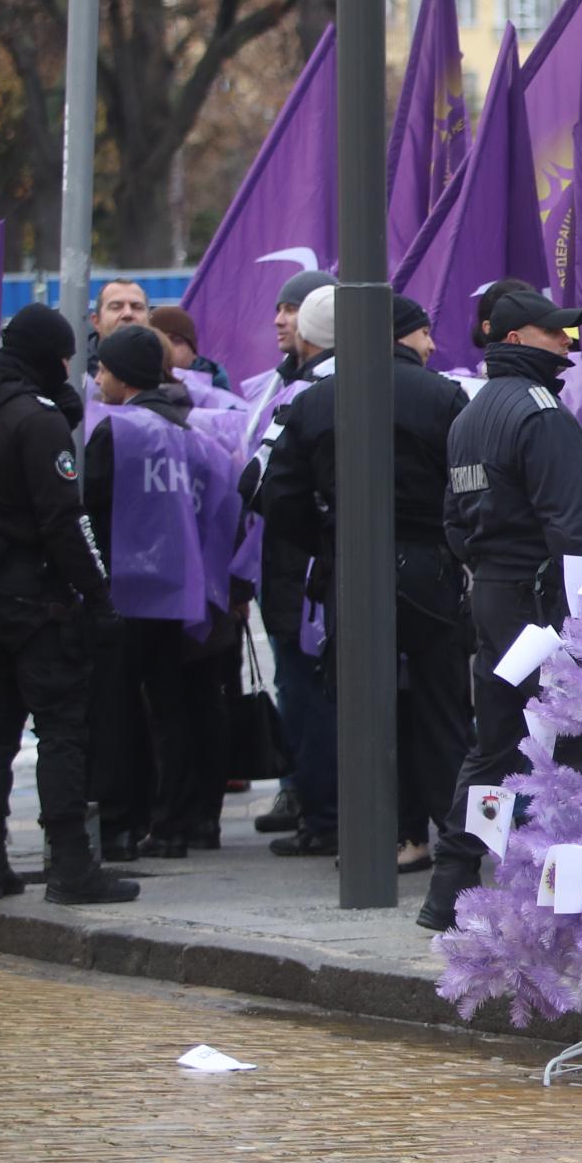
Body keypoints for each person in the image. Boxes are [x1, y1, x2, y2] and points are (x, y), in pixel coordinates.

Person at [259, 294, 470, 877]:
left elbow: (275, 494)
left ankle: (387, 834)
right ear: (403, 335)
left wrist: (329, 540)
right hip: (430, 571)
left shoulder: (313, 400)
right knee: (441, 709)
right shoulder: (443, 397)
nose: (432, 346)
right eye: (426, 334)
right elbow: (470, 489)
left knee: (363, 709)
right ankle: (455, 843)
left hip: (349, 569)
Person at [0, 304, 131, 904]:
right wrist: (99, 596)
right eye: (65, 357)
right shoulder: (35, 421)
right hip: (35, 594)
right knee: (61, 729)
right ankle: (71, 866)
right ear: (48, 356)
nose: (70, 368)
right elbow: (63, 521)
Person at [426, 288, 582, 931]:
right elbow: (576, 529)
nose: (567, 341)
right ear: (515, 339)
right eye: (553, 331)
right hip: (542, 598)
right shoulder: (543, 414)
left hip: (494, 595)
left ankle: (448, 887)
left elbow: (451, 521)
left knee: (494, 744)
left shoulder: (468, 417)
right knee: (581, 744)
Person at [84, 325, 236, 860]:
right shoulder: (195, 436)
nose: (97, 378)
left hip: (124, 594)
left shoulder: (117, 432)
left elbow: (88, 510)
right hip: (185, 594)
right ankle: (183, 821)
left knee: (125, 710)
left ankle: (128, 824)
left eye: (102, 368)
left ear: (121, 376)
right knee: (180, 709)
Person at [245, 283, 344, 854]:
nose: (281, 320)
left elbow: (258, 483)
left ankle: (326, 819)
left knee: (310, 695)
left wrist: (311, 534)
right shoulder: (304, 385)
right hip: (346, 568)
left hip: (303, 573)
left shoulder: (301, 395)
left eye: (291, 311)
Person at [149, 305, 232, 397]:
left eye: (176, 340)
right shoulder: (134, 391)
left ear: (193, 353)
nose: (167, 347)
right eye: (158, 340)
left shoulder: (221, 399)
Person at [84, 277, 151, 383]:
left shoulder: (169, 373)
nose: (128, 313)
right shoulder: (76, 371)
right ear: (96, 321)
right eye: (116, 307)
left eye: (137, 307)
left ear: (149, 320)